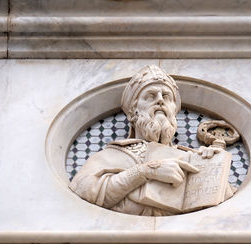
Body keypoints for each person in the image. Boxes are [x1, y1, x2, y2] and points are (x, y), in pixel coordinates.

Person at [69, 65, 229, 216]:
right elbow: (85, 189)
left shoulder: (190, 157)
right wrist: (146, 171)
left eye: (166, 97)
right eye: (150, 96)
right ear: (133, 113)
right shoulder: (110, 155)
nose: (160, 100)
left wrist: (212, 165)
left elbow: (225, 204)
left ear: (174, 111)